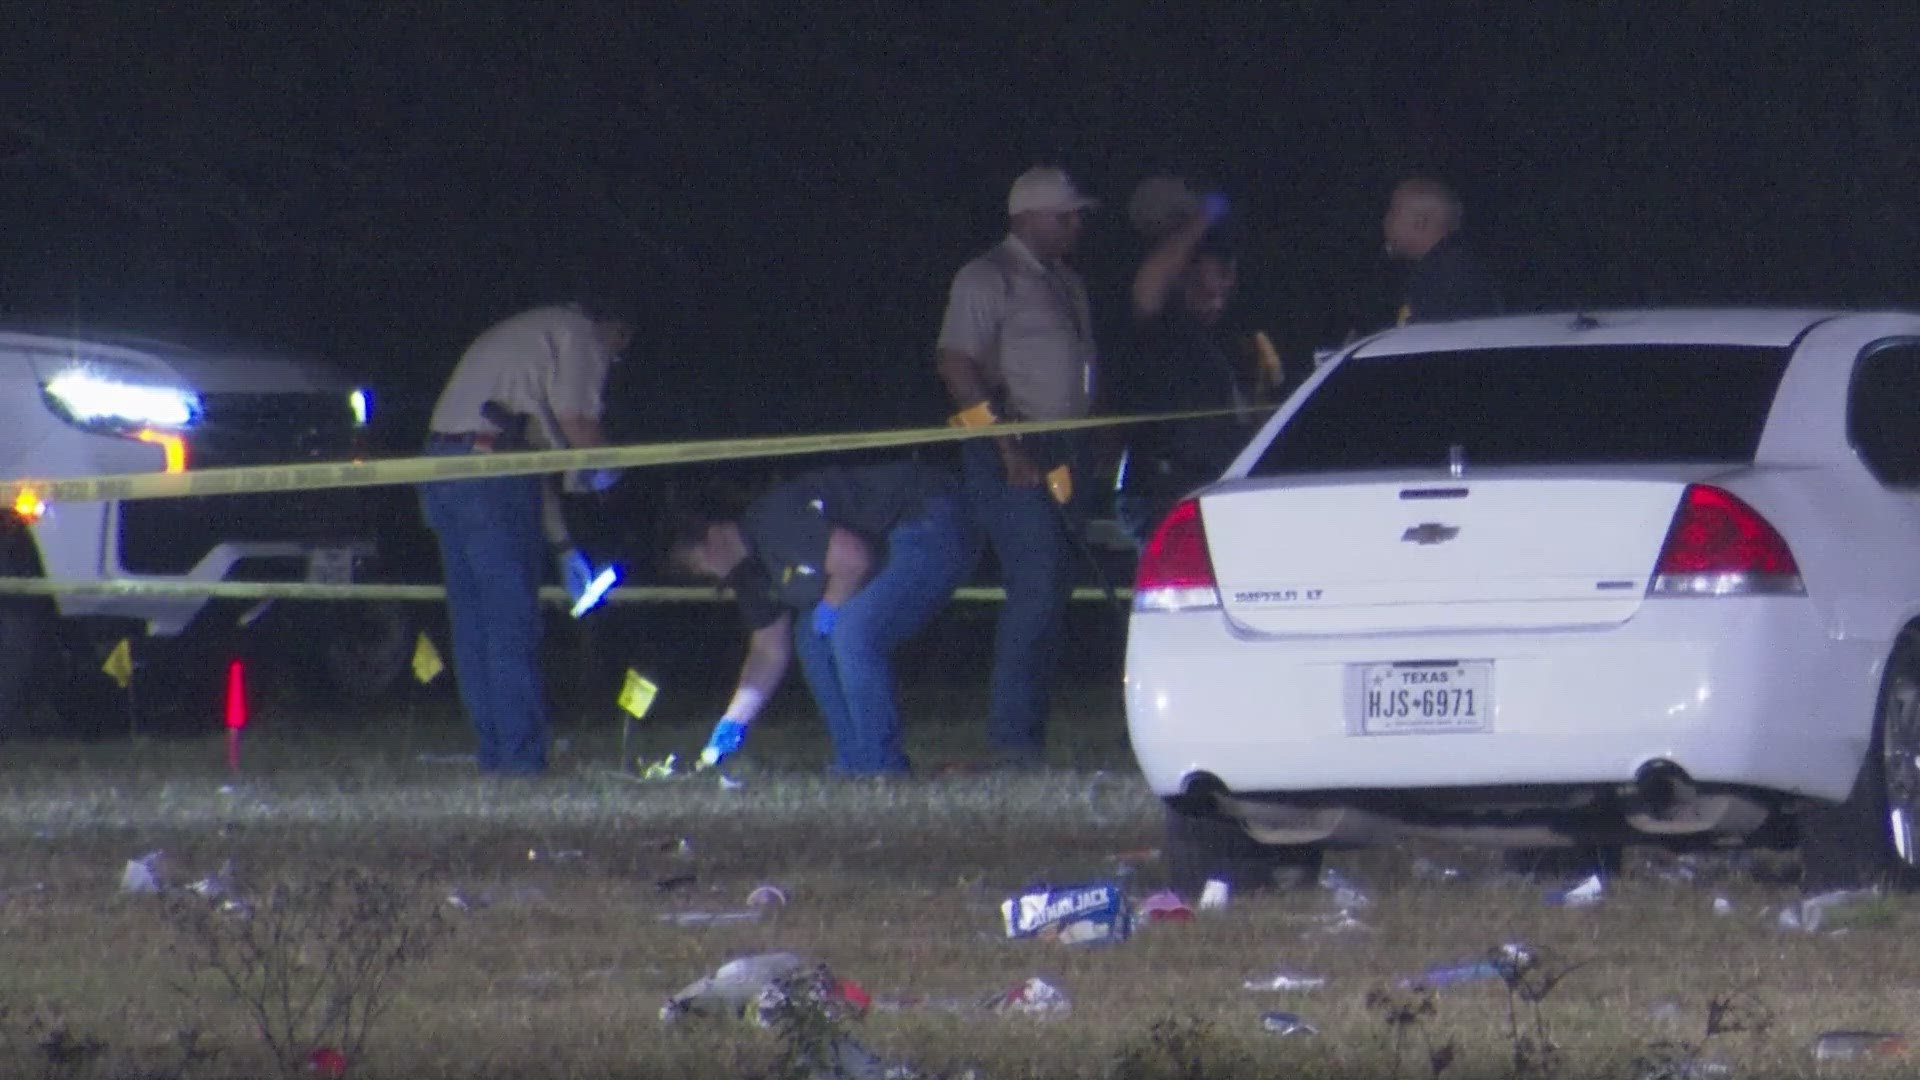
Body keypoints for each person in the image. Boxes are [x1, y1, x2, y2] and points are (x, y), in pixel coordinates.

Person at [418, 300, 633, 775]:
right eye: (621, 348)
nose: (614, 362)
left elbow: (529, 464)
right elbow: (578, 421)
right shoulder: (581, 335)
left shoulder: (533, 344)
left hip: (442, 471)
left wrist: (564, 548)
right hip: (491, 479)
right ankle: (520, 762)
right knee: (511, 624)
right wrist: (612, 477)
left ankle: (497, 755)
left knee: (476, 624)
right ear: (614, 330)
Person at [934, 166, 1099, 768]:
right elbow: (957, 364)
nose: (1077, 225)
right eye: (1066, 215)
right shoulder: (987, 277)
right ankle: (1012, 740)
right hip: (1013, 443)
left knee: (1054, 587)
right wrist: (1006, 445)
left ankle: (1030, 732)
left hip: (1064, 447)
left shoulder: (1065, 282)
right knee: (1034, 585)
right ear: (1028, 216)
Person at [669, 457, 974, 777]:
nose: (707, 576)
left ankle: (881, 765)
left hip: (931, 515)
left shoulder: (774, 522)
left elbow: (853, 559)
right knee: (811, 640)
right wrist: (733, 724)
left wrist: (831, 607)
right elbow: (768, 651)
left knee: (851, 632)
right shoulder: (750, 576)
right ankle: (854, 760)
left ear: (713, 537)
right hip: (892, 540)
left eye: (697, 565)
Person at [1112, 188, 1267, 544]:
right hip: (1160, 491)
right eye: (1215, 278)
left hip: (1209, 490)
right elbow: (1153, 280)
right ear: (1184, 274)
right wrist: (1203, 217)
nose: (1223, 291)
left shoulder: (1226, 344)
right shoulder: (1159, 328)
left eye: (1230, 281)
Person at [1381, 177, 1501, 325]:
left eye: (1392, 214)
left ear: (1419, 222)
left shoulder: (1441, 278)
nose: (1385, 222)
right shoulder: (1457, 265)